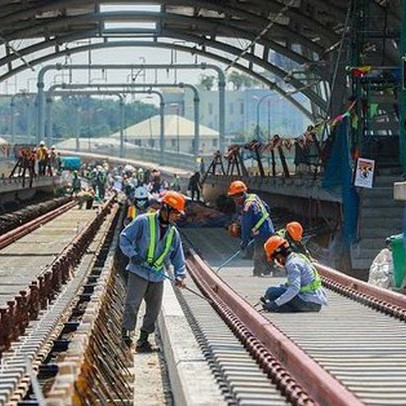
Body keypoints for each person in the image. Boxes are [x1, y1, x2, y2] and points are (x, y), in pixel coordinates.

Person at [120, 191, 187, 352]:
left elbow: (178, 256)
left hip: (157, 275)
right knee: (132, 305)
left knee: (153, 309)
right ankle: (126, 339)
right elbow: (124, 237)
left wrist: (180, 275)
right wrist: (133, 254)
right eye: (176, 213)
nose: (177, 217)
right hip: (138, 271)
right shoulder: (143, 221)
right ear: (166, 209)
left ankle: (143, 341)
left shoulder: (173, 232)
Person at [261, 235, 327, 312]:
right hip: (314, 300)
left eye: (275, 259)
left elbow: (294, 288)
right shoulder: (297, 257)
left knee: (272, 293)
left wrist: (275, 303)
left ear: (279, 255)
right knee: (272, 291)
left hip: (310, 303)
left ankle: (283, 308)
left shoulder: (292, 264)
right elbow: (293, 284)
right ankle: (284, 307)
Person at [227, 180, 274, 276]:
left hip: (261, 232)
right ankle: (268, 269)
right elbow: (267, 208)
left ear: (239, 196)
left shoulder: (247, 207)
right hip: (269, 227)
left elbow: (246, 226)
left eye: (234, 197)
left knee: (258, 252)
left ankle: (258, 271)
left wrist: (244, 242)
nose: (234, 200)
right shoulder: (254, 197)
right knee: (268, 249)